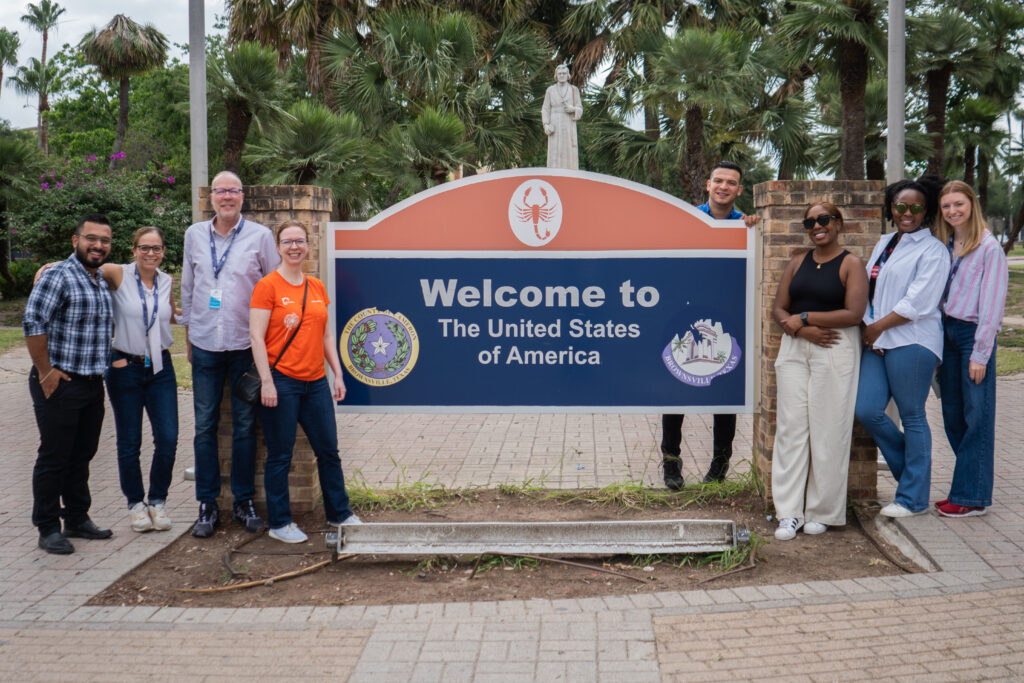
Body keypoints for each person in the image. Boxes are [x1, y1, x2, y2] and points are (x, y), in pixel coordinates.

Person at [180, 171, 280, 538]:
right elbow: (189, 287)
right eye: (220, 191)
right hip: (205, 343)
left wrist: (266, 345)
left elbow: (272, 285)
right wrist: (189, 336)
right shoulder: (194, 234)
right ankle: (206, 503)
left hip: (244, 346)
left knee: (243, 427)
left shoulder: (261, 237)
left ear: (242, 197)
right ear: (211, 198)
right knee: (204, 426)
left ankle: (242, 501)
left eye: (233, 191)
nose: (226, 197)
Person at [249, 220, 360, 543]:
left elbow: (326, 334)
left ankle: (340, 514)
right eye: (287, 241)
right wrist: (267, 382)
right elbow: (256, 337)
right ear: (278, 247)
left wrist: (337, 373)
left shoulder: (316, 287)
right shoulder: (268, 286)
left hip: (315, 383)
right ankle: (280, 523)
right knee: (280, 455)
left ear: (308, 245)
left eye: (299, 241)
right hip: (281, 381)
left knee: (329, 452)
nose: (294, 247)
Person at [770, 203, 867, 540]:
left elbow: (854, 313)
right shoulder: (798, 261)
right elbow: (779, 308)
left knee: (829, 430)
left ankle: (823, 512)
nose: (816, 226)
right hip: (796, 347)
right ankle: (788, 512)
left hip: (835, 347)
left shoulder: (851, 264)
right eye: (810, 222)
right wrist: (798, 328)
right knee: (791, 430)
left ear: (838, 223)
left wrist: (808, 318)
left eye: (823, 219)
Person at [854, 176, 950, 518]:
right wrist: (868, 324)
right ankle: (912, 476)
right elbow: (869, 290)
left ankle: (912, 498)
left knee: (912, 417)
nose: (906, 212)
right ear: (891, 208)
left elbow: (918, 303)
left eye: (915, 207)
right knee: (866, 409)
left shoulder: (934, 250)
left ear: (925, 212)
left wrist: (876, 328)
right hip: (877, 341)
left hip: (912, 342)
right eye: (900, 206)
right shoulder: (885, 242)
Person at [662, 161, 759, 490]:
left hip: (727, 322)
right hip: (685, 317)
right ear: (707, 184)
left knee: (725, 395)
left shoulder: (746, 225)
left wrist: (754, 227)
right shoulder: (687, 221)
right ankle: (671, 465)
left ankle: (719, 468)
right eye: (719, 180)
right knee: (675, 394)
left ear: (739, 190)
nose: (724, 186)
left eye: (731, 182)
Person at [23, 213, 115, 554]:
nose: (98, 245)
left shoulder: (101, 278)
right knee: (54, 456)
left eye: (104, 240)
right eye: (91, 238)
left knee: (82, 454)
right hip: (60, 382)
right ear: (75, 241)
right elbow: (33, 322)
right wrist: (46, 373)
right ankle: (47, 527)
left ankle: (77, 517)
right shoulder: (58, 276)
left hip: (92, 383)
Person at [933, 180, 1008, 518]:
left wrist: (981, 353)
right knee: (951, 413)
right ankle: (969, 485)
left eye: (958, 204)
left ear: (971, 204)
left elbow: (992, 304)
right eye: (947, 206)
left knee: (977, 414)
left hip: (971, 335)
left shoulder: (988, 248)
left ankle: (971, 497)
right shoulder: (947, 243)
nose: (952, 211)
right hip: (946, 332)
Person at [104, 227, 179, 532]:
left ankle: (157, 500)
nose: (151, 254)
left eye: (157, 248)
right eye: (145, 248)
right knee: (129, 440)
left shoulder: (166, 280)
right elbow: (81, 264)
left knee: (168, 438)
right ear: (133, 249)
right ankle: (136, 503)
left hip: (160, 366)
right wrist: (48, 267)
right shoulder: (117, 273)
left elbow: (168, 315)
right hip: (125, 365)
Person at [541, 64, 583, 170]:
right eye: (559, 73)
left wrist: (573, 109)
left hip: (568, 122)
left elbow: (580, 108)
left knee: (568, 150)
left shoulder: (574, 90)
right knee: (554, 151)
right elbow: (545, 109)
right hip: (554, 122)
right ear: (556, 75)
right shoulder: (550, 90)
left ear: (568, 75)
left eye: (564, 73)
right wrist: (546, 124)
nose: (562, 75)